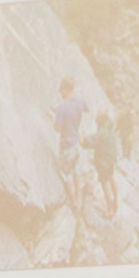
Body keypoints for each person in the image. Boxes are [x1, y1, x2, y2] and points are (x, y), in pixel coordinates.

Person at [52, 77, 90, 210]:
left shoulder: (62, 107)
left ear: (66, 89)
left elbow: (57, 128)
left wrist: (53, 116)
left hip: (66, 145)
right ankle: (78, 197)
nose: (60, 92)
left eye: (61, 89)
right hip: (76, 142)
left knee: (67, 173)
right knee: (76, 170)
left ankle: (74, 201)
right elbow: (86, 108)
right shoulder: (80, 101)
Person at [81, 109, 121, 216]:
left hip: (104, 161)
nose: (96, 121)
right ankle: (116, 201)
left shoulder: (102, 132)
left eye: (97, 119)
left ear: (100, 120)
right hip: (111, 158)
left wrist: (81, 137)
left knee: (104, 183)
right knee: (111, 178)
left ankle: (109, 209)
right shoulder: (109, 128)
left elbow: (89, 141)